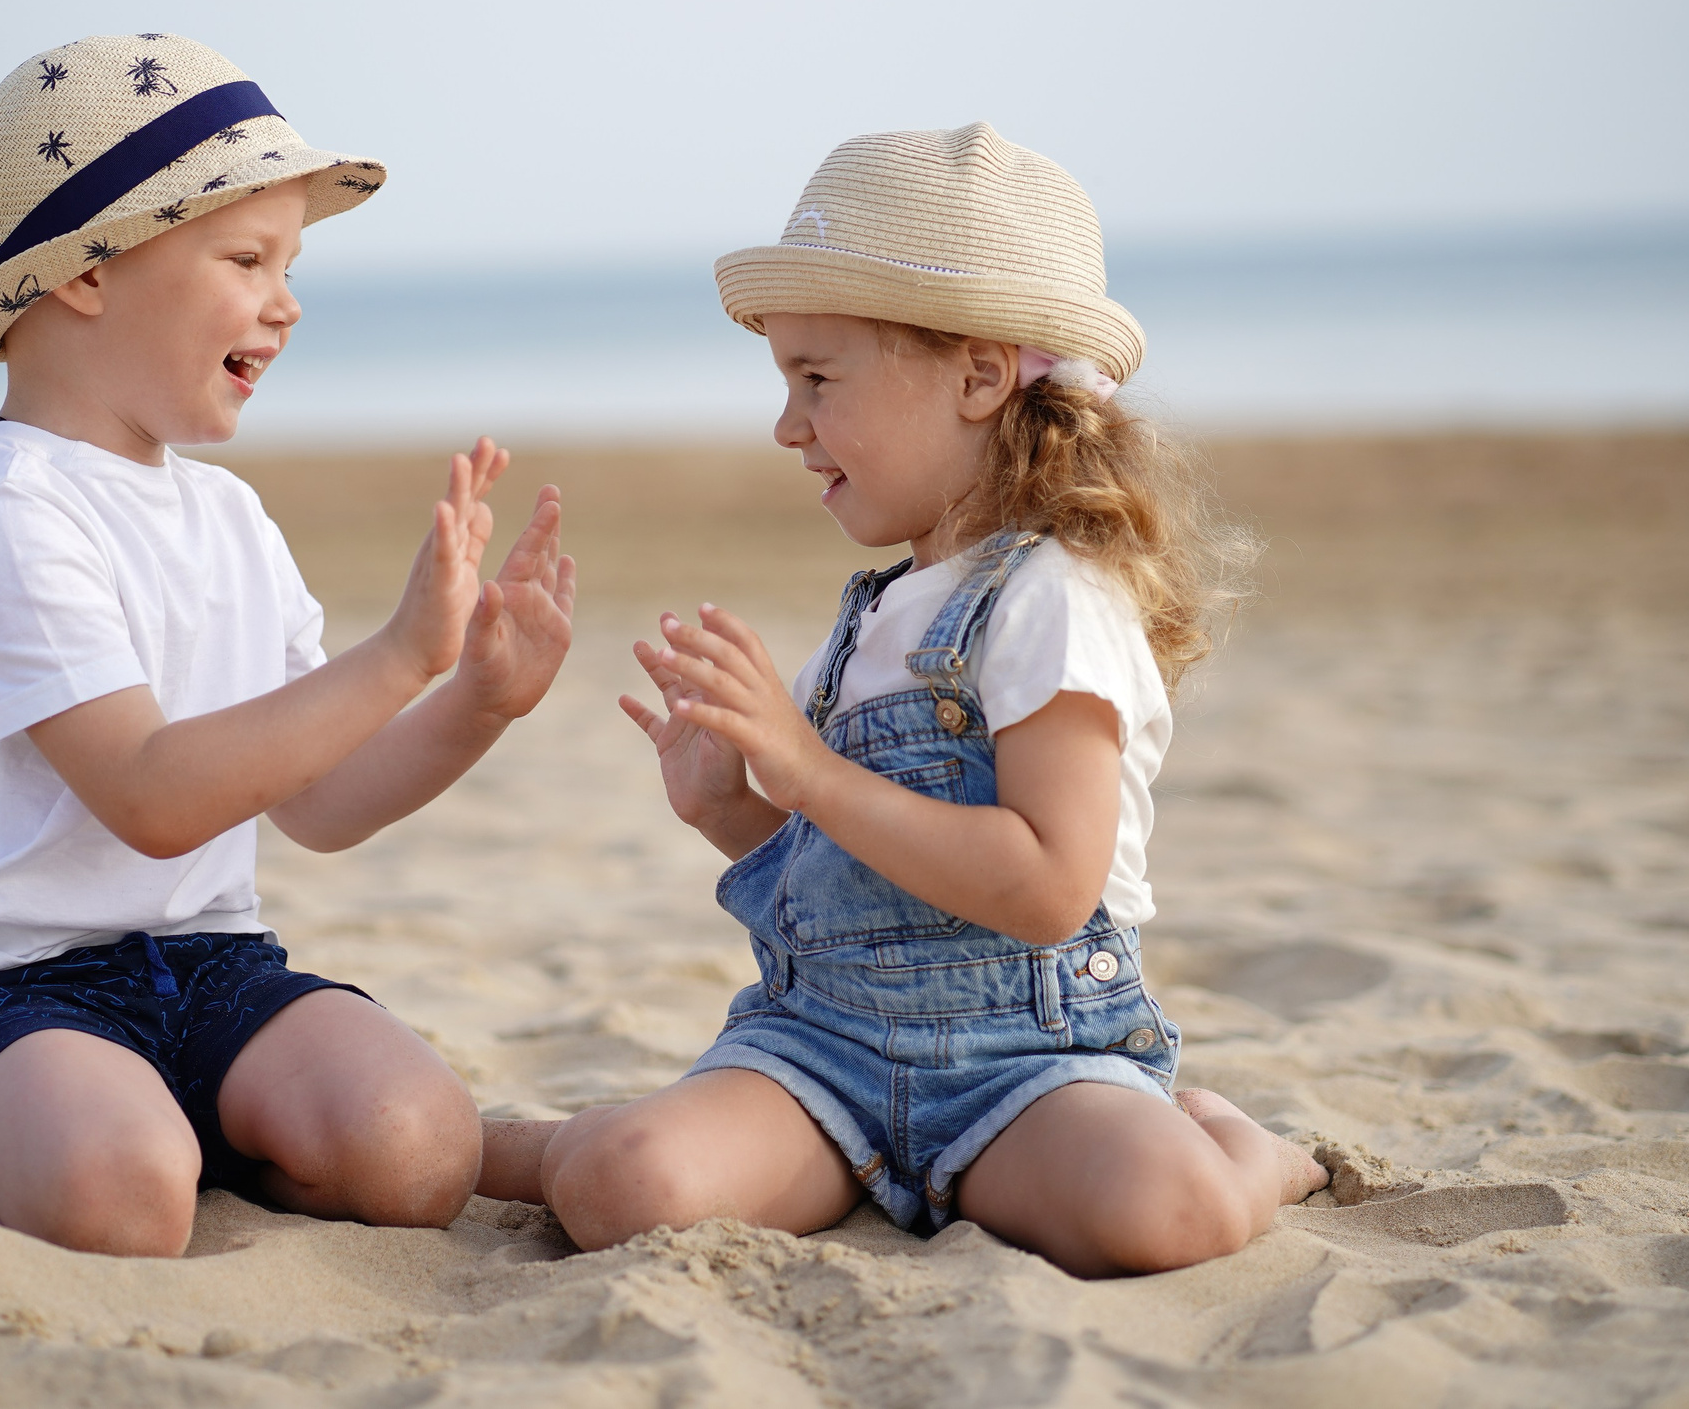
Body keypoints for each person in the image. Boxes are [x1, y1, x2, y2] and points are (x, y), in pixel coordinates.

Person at [527, 123, 1326, 1276]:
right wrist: (736, 814)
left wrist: (806, 770)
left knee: (1165, 1216)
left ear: (978, 375)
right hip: (825, 1053)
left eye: (816, 378)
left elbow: (1049, 887)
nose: (785, 424)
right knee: (624, 1186)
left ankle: (1244, 1148)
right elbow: (847, 876)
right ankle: (491, 1145)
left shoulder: (1054, 598)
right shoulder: (871, 619)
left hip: (1030, 1068)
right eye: (782, 382)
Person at [0, 35, 575, 1257]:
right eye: (246, 259)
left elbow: (321, 804)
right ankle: (91, 1155)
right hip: (7, 996)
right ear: (86, 274)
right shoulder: (0, 510)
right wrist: (399, 655)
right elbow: (150, 794)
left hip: (211, 967)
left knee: (420, 1151)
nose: (286, 301)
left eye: (289, 264)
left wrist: (472, 703)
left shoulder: (227, 516)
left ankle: (215, 1135)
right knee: (123, 1197)